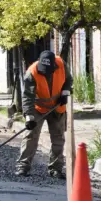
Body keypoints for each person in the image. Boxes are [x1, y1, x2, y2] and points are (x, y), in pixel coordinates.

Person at [16, 50, 72, 179]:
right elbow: (28, 96)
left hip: (57, 106)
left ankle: (56, 168)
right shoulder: (32, 72)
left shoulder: (62, 65)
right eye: (43, 70)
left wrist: (65, 93)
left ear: (54, 66)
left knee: (58, 138)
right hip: (38, 107)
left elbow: (69, 80)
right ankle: (22, 166)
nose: (45, 72)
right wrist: (29, 116)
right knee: (30, 135)